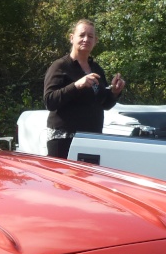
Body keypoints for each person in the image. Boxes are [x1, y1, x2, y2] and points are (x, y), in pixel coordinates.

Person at [43, 19, 126, 158]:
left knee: (87, 180)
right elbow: (49, 101)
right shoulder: (60, 66)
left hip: (91, 139)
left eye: (90, 36)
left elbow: (104, 104)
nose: (86, 39)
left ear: (95, 41)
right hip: (64, 140)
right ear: (72, 38)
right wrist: (76, 85)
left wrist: (114, 92)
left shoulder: (96, 68)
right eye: (81, 35)